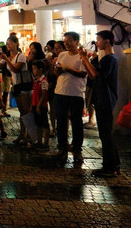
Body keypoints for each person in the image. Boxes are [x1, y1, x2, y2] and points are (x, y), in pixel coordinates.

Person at [80, 30, 120, 177]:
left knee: (106, 134)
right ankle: (113, 164)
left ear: (107, 41)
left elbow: (97, 74)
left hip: (106, 100)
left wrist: (85, 58)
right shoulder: (106, 59)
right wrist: (85, 60)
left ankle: (110, 167)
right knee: (105, 134)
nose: (97, 42)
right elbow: (92, 75)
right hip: (102, 99)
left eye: (99, 39)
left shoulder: (110, 59)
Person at [53, 32, 88, 163]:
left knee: (76, 122)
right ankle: (62, 148)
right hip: (61, 92)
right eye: (65, 41)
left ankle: (77, 149)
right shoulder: (62, 55)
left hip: (76, 94)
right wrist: (57, 69)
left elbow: (83, 74)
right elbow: (56, 71)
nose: (66, 43)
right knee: (61, 122)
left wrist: (66, 69)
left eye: (69, 41)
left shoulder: (82, 56)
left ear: (77, 42)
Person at [30, 60, 50, 151]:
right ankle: (39, 142)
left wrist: (38, 105)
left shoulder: (44, 81)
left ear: (40, 69)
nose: (33, 71)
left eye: (35, 69)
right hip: (35, 105)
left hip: (41, 106)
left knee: (44, 124)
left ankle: (46, 143)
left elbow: (44, 95)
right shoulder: (36, 80)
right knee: (38, 125)